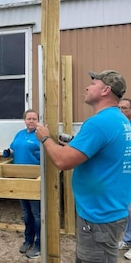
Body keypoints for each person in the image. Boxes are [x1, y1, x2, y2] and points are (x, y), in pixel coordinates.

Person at [35, 70, 131, 263]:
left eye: (93, 83)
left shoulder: (99, 123)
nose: (87, 87)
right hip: (111, 209)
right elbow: (103, 154)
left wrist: (45, 138)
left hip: (98, 216)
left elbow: (62, 162)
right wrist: (74, 146)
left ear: (106, 90)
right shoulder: (121, 121)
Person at [2, 109, 41, 259]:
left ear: (38, 120)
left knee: (37, 214)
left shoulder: (40, 134)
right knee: (26, 213)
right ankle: (28, 240)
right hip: (20, 178)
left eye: (34, 118)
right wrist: (7, 152)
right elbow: (13, 148)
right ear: (24, 120)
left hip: (34, 179)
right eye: (29, 118)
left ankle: (39, 243)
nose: (31, 121)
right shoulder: (20, 134)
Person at [117, 98, 131, 260]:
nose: (121, 111)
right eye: (119, 108)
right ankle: (127, 240)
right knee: (128, 211)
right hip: (123, 175)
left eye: (124, 108)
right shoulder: (119, 128)